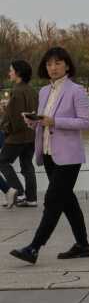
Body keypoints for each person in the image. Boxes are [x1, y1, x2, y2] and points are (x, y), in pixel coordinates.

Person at [10, 47, 89, 265]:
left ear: (67, 65)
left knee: (52, 199)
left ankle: (34, 248)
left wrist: (55, 121)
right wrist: (34, 121)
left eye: (57, 63)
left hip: (69, 157)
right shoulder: (44, 92)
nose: (52, 68)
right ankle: (83, 245)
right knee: (68, 202)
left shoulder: (77, 91)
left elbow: (85, 122)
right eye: (48, 64)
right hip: (48, 154)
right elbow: (44, 122)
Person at [0, 60, 38, 208]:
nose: (9, 73)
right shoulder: (32, 90)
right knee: (27, 165)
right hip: (31, 135)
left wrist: (6, 131)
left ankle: (18, 192)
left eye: (11, 70)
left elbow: (15, 120)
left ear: (18, 72)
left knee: (2, 162)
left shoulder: (16, 91)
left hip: (17, 137)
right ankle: (31, 198)